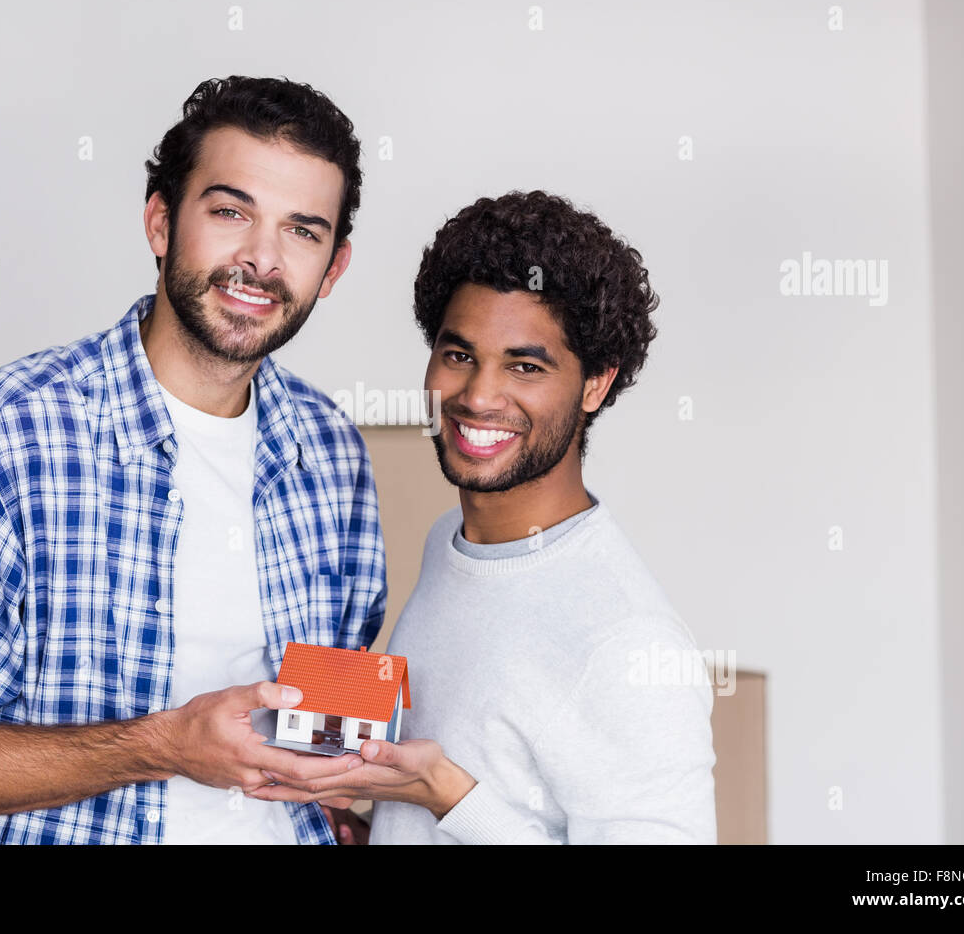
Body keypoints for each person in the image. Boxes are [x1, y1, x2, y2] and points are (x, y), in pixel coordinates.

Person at [0, 76, 384, 844]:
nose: (262, 258)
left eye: (302, 231)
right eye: (230, 212)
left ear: (335, 266)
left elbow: (321, 727)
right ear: (160, 222)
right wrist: (160, 746)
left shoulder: (331, 454)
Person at [249, 190, 718, 844]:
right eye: (459, 355)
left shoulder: (629, 646)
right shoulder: (454, 543)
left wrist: (444, 794)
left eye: (525, 365)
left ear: (596, 384)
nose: (477, 396)